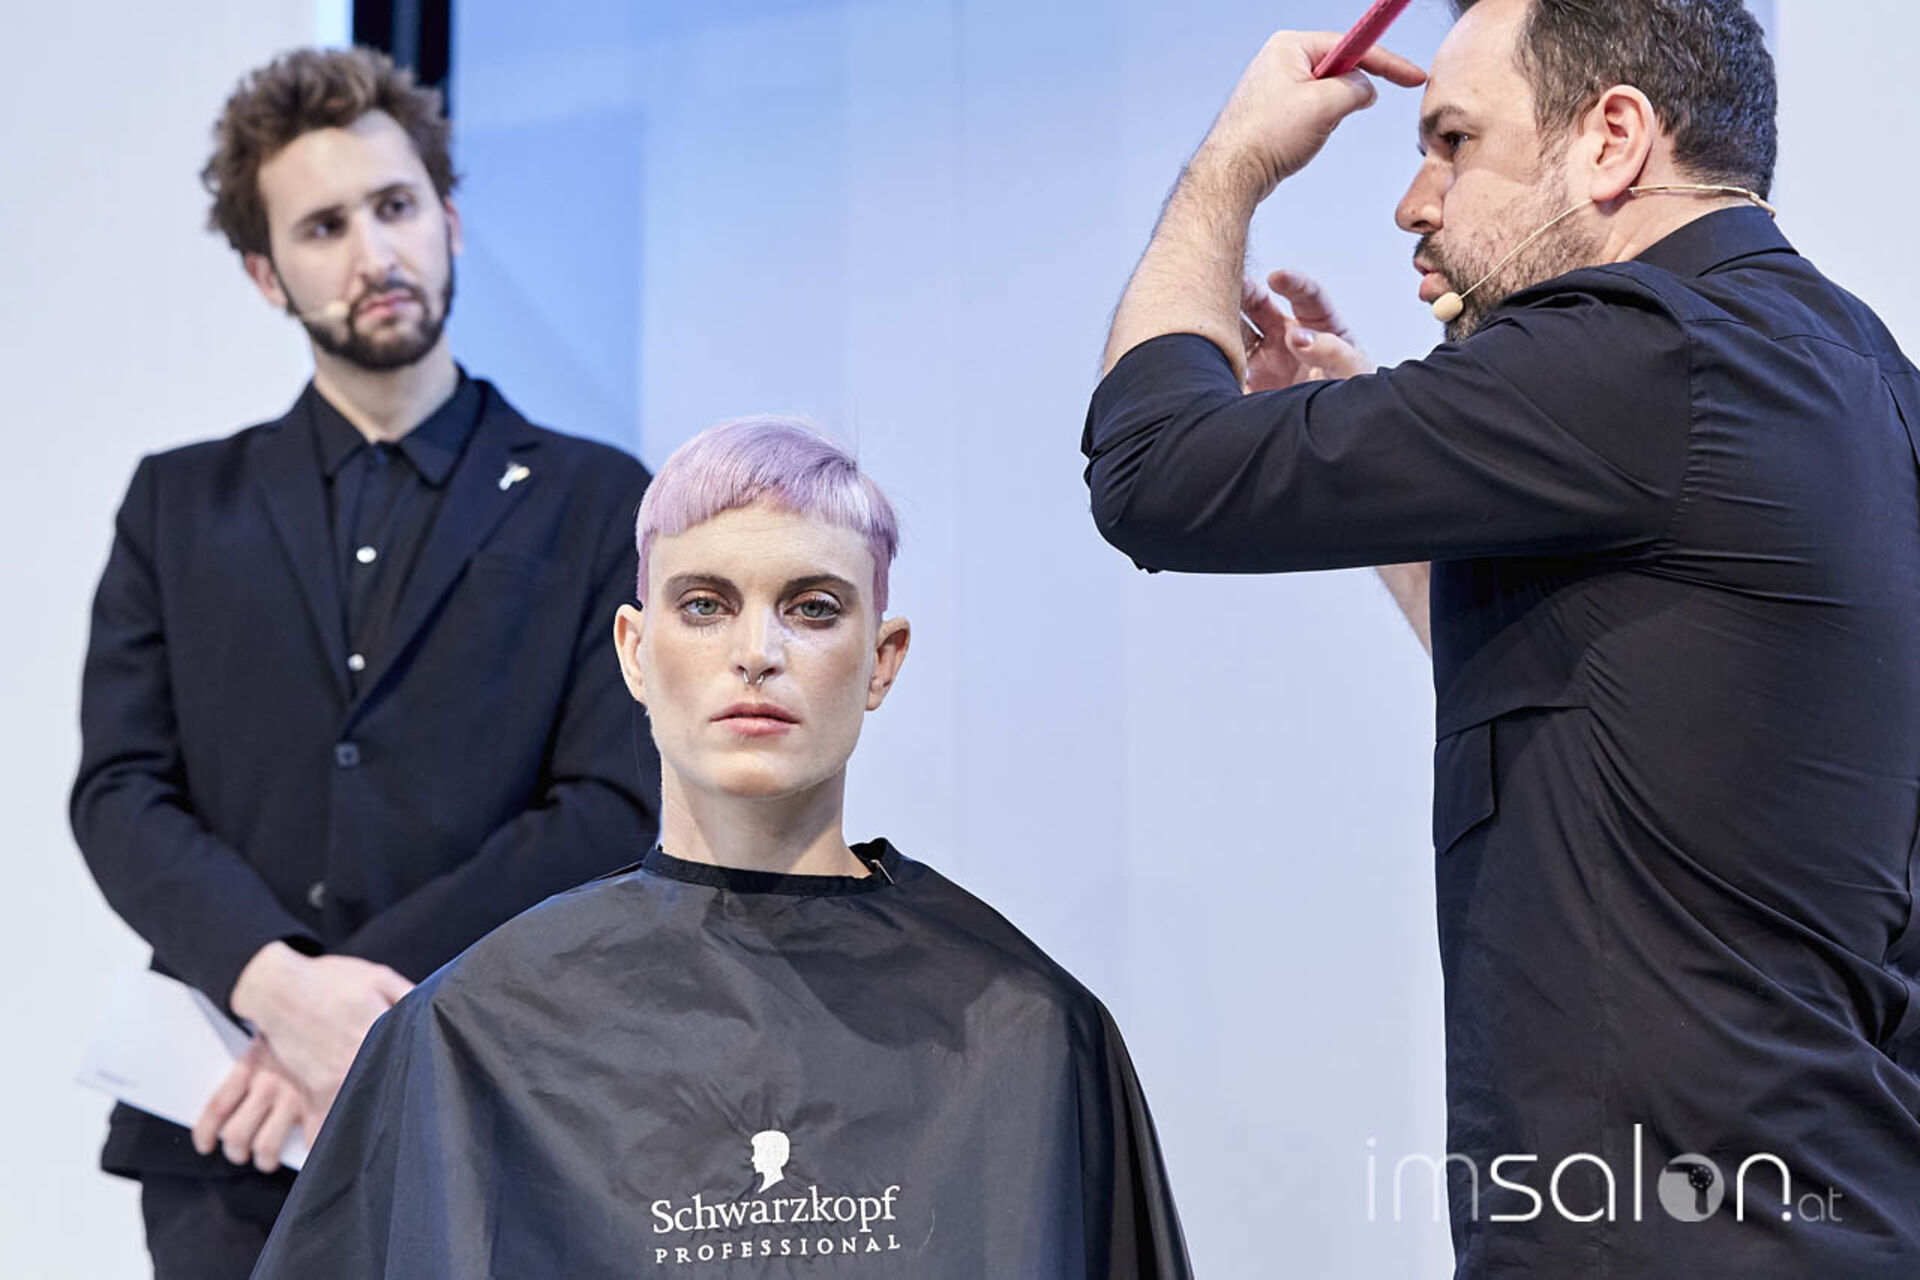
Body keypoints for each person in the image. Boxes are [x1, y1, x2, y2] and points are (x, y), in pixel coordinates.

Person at [1082, 1, 1920, 1275]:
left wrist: (1233, 163)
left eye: (1453, 142)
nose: (1413, 203)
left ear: (1613, 139)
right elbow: (1610, 689)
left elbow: (1155, 469)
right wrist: (1384, 472)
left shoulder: (1638, 354)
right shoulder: (1866, 378)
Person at [251, 417, 1193, 1279]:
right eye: (705, 605)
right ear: (634, 650)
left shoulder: (1029, 1033)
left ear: (882, 659)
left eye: (813, 608)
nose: (757, 652)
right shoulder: (469, 1036)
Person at [69, 47, 659, 1278]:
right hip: (233, 1127)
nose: (373, 253)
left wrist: (355, 1014)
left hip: (502, 1113)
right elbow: (120, 791)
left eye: (395, 207)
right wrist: (279, 986)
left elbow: (611, 802)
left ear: (449, 220)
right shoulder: (178, 504)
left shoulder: (601, 499)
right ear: (265, 272)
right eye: (323, 226)